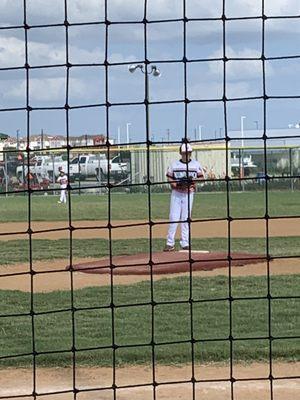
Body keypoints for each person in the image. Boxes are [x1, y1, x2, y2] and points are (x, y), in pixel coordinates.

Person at [164, 142, 204, 251]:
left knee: (186, 218)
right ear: (180, 153)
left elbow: (201, 178)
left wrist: (191, 180)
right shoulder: (174, 164)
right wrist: (176, 184)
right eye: (184, 153)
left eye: (188, 153)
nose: (186, 155)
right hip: (176, 193)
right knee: (173, 217)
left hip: (189, 193)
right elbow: (169, 177)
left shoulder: (195, 164)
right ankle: (170, 243)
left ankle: (185, 242)